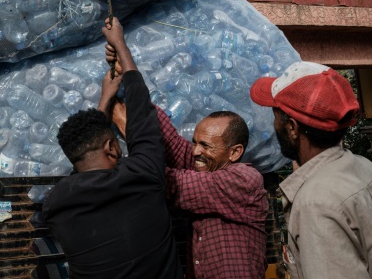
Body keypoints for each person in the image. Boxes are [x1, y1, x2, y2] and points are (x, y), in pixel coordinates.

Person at [42, 17, 182, 279]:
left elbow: (85, 160)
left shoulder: (55, 205)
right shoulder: (142, 175)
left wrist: (105, 99)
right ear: (111, 147)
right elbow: (141, 114)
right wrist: (120, 43)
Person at [250, 61, 372, 278]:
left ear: (292, 128)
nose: (274, 125)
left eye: (275, 116)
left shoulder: (316, 202)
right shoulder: (363, 166)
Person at [108, 97, 268, 278]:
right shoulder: (207, 168)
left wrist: (119, 163)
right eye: (195, 142)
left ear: (234, 152)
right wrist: (134, 94)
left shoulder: (244, 180)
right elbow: (173, 145)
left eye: (205, 145)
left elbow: (172, 184)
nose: (195, 151)